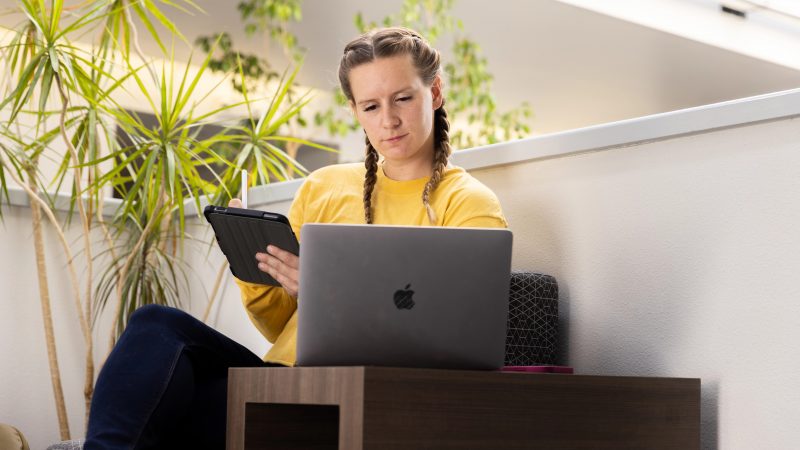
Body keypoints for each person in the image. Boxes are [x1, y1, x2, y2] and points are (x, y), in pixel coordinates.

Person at [84, 26, 507, 449]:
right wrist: (252, 258)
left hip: (350, 402)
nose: (388, 120)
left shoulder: (468, 204)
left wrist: (326, 293)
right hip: (272, 387)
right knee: (155, 325)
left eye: (403, 98)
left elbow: (458, 344)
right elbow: (277, 326)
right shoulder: (323, 187)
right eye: (371, 106)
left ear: (434, 93)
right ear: (355, 112)